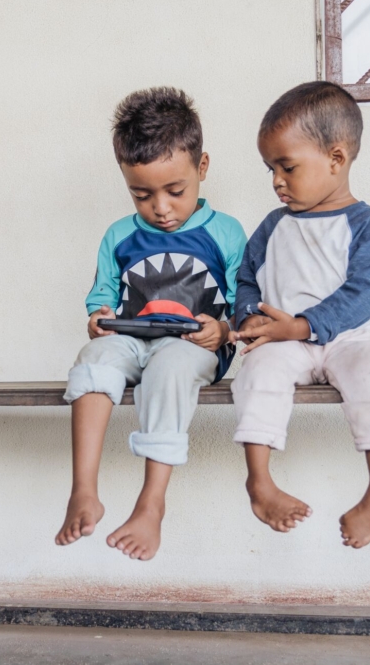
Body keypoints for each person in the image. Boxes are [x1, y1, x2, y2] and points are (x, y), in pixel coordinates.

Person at [56, 87, 247, 560]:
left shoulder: (225, 232)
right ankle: (83, 489)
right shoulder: (119, 235)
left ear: (202, 167)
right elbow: (102, 297)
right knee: (93, 359)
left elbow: (245, 305)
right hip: (131, 338)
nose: (160, 208)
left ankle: (151, 503)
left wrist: (224, 331)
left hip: (193, 345)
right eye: (141, 195)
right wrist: (99, 320)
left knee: (170, 367)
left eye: (174, 191)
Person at [230, 81, 370, 549]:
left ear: (336, 158)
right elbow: (246, 279)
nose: (276, 181)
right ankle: (260, 482)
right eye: (270, 169)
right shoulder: (273, 226)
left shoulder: (367, 224)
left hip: (351, 336)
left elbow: (363, 294)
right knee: (257, 373)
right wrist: (249, 318)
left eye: (287, 167)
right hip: (286, 341)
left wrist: (305, 324)